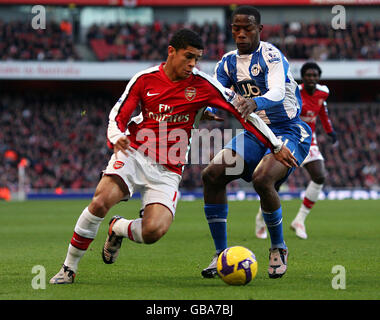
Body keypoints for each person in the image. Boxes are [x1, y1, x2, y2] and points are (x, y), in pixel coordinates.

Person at [49, 28, 297, 284]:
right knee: (101, 201)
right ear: (171, 52)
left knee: (153, 231)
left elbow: (245, 114)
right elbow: (118, 115)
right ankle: (69, 268)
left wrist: (276, 145)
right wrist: (116, 137)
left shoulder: (203, 85)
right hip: (133, 153)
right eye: (188, 57)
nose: (192, 64)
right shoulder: (144, 79)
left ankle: (118, 228)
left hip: (168, 168)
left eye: (197, 59)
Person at [201, 6, 312, 279]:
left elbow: (275, 92)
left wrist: (254, 102)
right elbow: (218, 96)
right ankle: (220, 254)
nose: (241, 34)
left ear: (259, 30)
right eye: (236, 28)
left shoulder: (271, 55)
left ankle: (278, 247)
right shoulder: (226, 63)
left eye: (247, 28)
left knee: (263, 179)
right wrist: (209, 111)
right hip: (255, 133)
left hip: (288, 130)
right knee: (212, 174)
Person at [255, 62, 337, 240]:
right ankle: (261, 220)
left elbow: (322, 110)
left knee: (320, 176)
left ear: (318, 77)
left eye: (315, 75)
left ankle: (299, 220)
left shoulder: (323, 92)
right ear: (303, 77)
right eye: (308, 75)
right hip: (290, 138)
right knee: (272, 183)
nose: (311, 78)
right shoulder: (294, 91)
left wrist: (329, 131)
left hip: (309, 140)